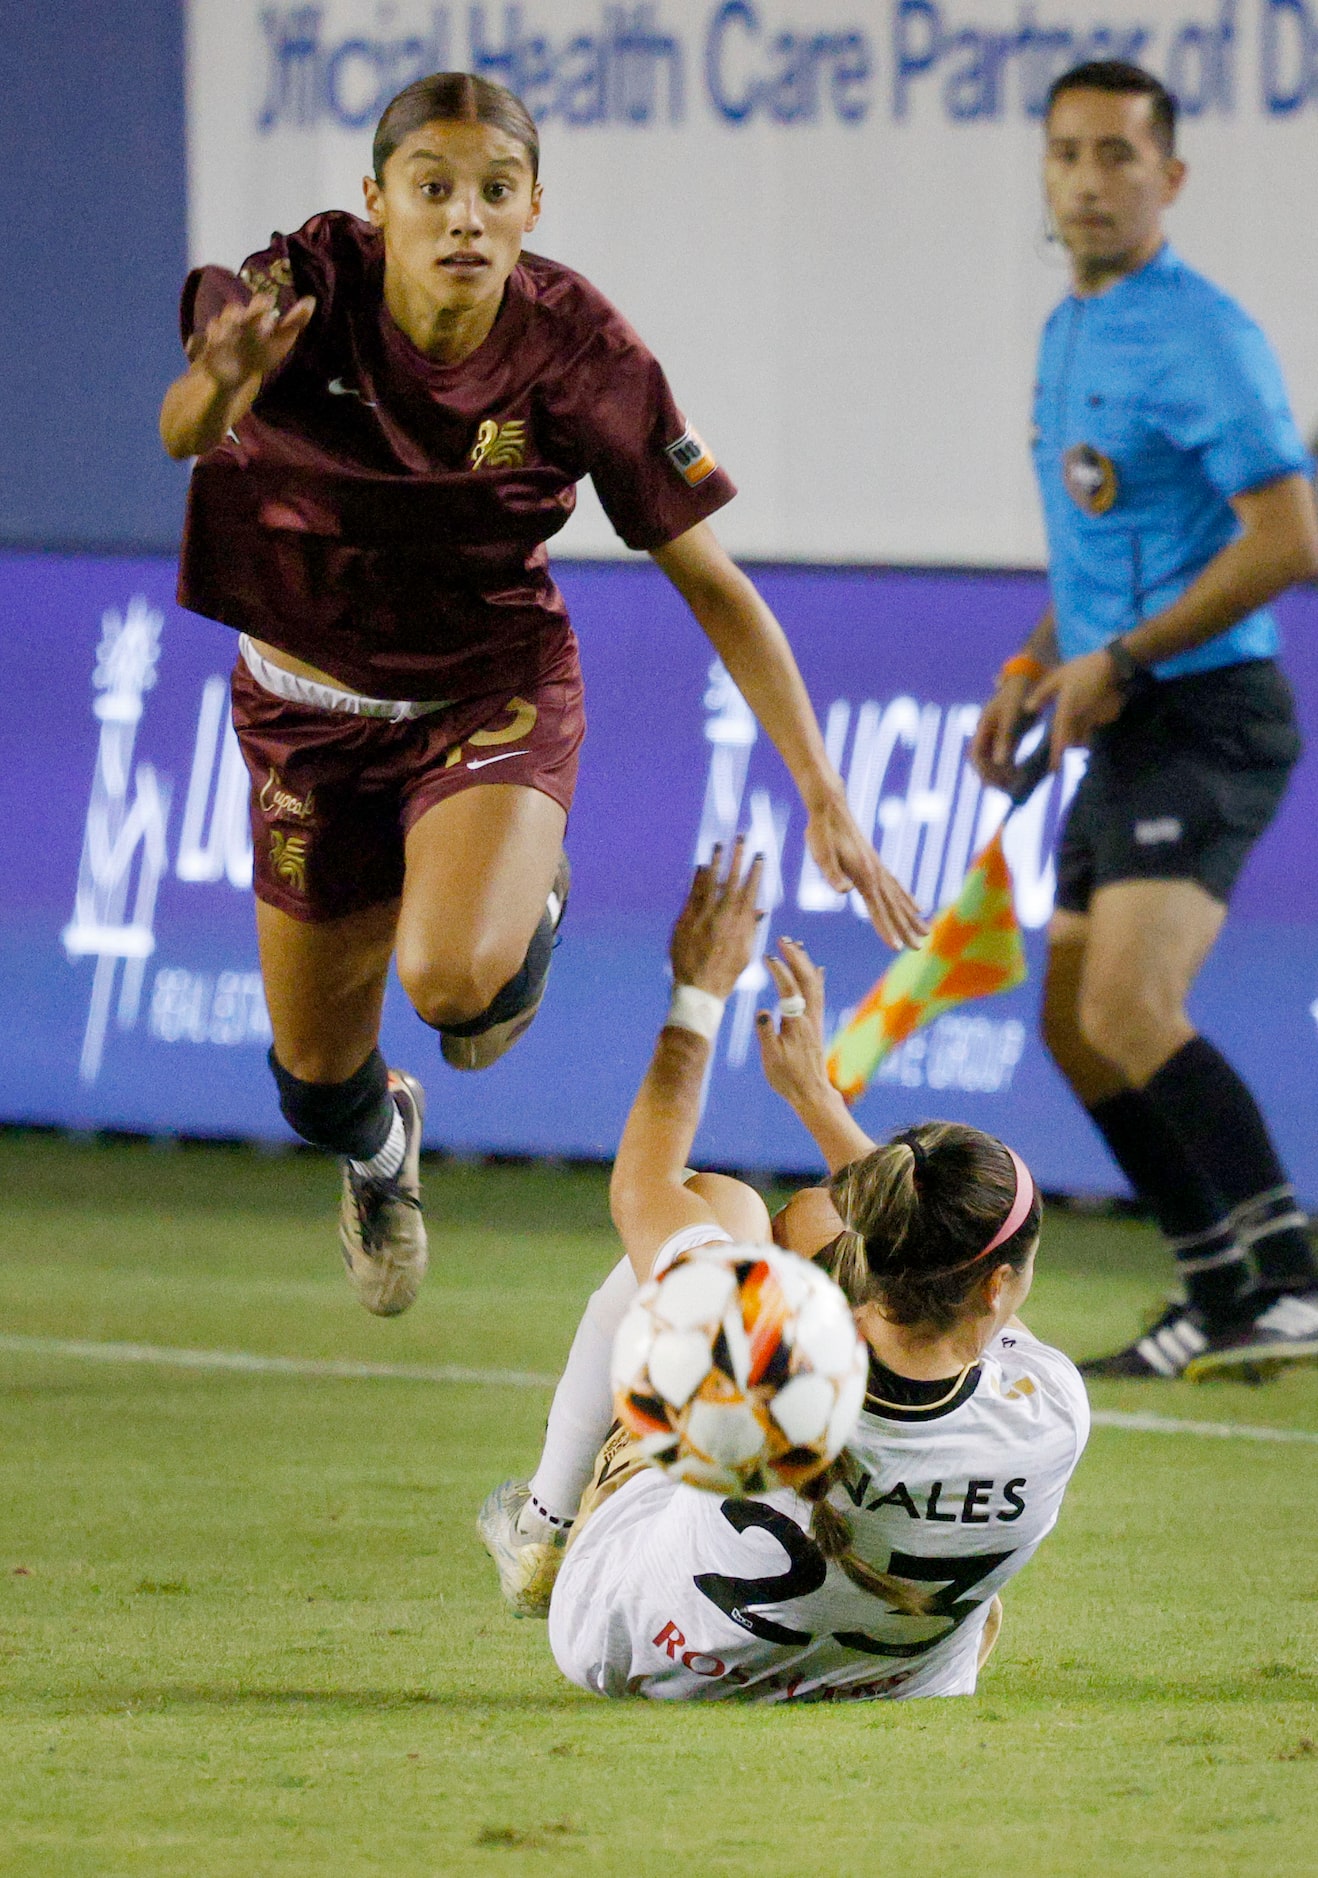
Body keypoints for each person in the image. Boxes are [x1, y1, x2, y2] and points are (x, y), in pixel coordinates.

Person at [160, 73, 922, 1318]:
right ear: (377, 202)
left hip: (488, 689)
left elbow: (713, 583)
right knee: (311, 1080)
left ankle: (526, 901)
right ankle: (380, 1147)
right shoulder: (297, 292)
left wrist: (822, 787)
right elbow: (185, 431)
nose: (465, 217)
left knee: (456, 986)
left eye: (494, 192)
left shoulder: (582, 354)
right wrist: (223, 382)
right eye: (434, 189)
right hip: (303, 707)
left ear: (530, 208)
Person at [478, 848, 1089, 1702]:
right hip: (894, 1680)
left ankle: (543, 1528)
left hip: (633, 1644)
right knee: (815, 1218)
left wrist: (698, 996)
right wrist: (819, 1102)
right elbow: (919, 1252)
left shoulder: (760, 1344)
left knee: (720, 1206)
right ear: (999, 1288)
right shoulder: (1055, 1407)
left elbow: (642, 1187)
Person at [971, 60, 1318, 1380]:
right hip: (1123, 708)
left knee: (1127, 1001)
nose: (1087, 179)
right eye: (1067, 153)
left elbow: (1285, 536)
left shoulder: (1200, 332)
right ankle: (1219, 1287)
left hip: (1208, 708)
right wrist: (1033, 662)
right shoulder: (1070, 330)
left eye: (1117, 155)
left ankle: (1287, 1274)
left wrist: (1117, 656)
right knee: (1068, 1015)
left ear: (1167, 178)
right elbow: (1109, 550)